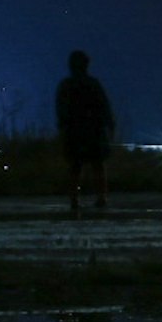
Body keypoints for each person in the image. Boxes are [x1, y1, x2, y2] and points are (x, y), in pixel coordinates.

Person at [56, 50, 116, 214]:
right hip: (91, 130)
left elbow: (61, 110)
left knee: (77, 166)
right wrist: (109, 125)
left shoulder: (67, 85)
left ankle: (76, 199)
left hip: (78, 131)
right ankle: (99, 197)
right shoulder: (91, 84)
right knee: (95, 165)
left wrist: (63, 128)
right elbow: (104, 106)